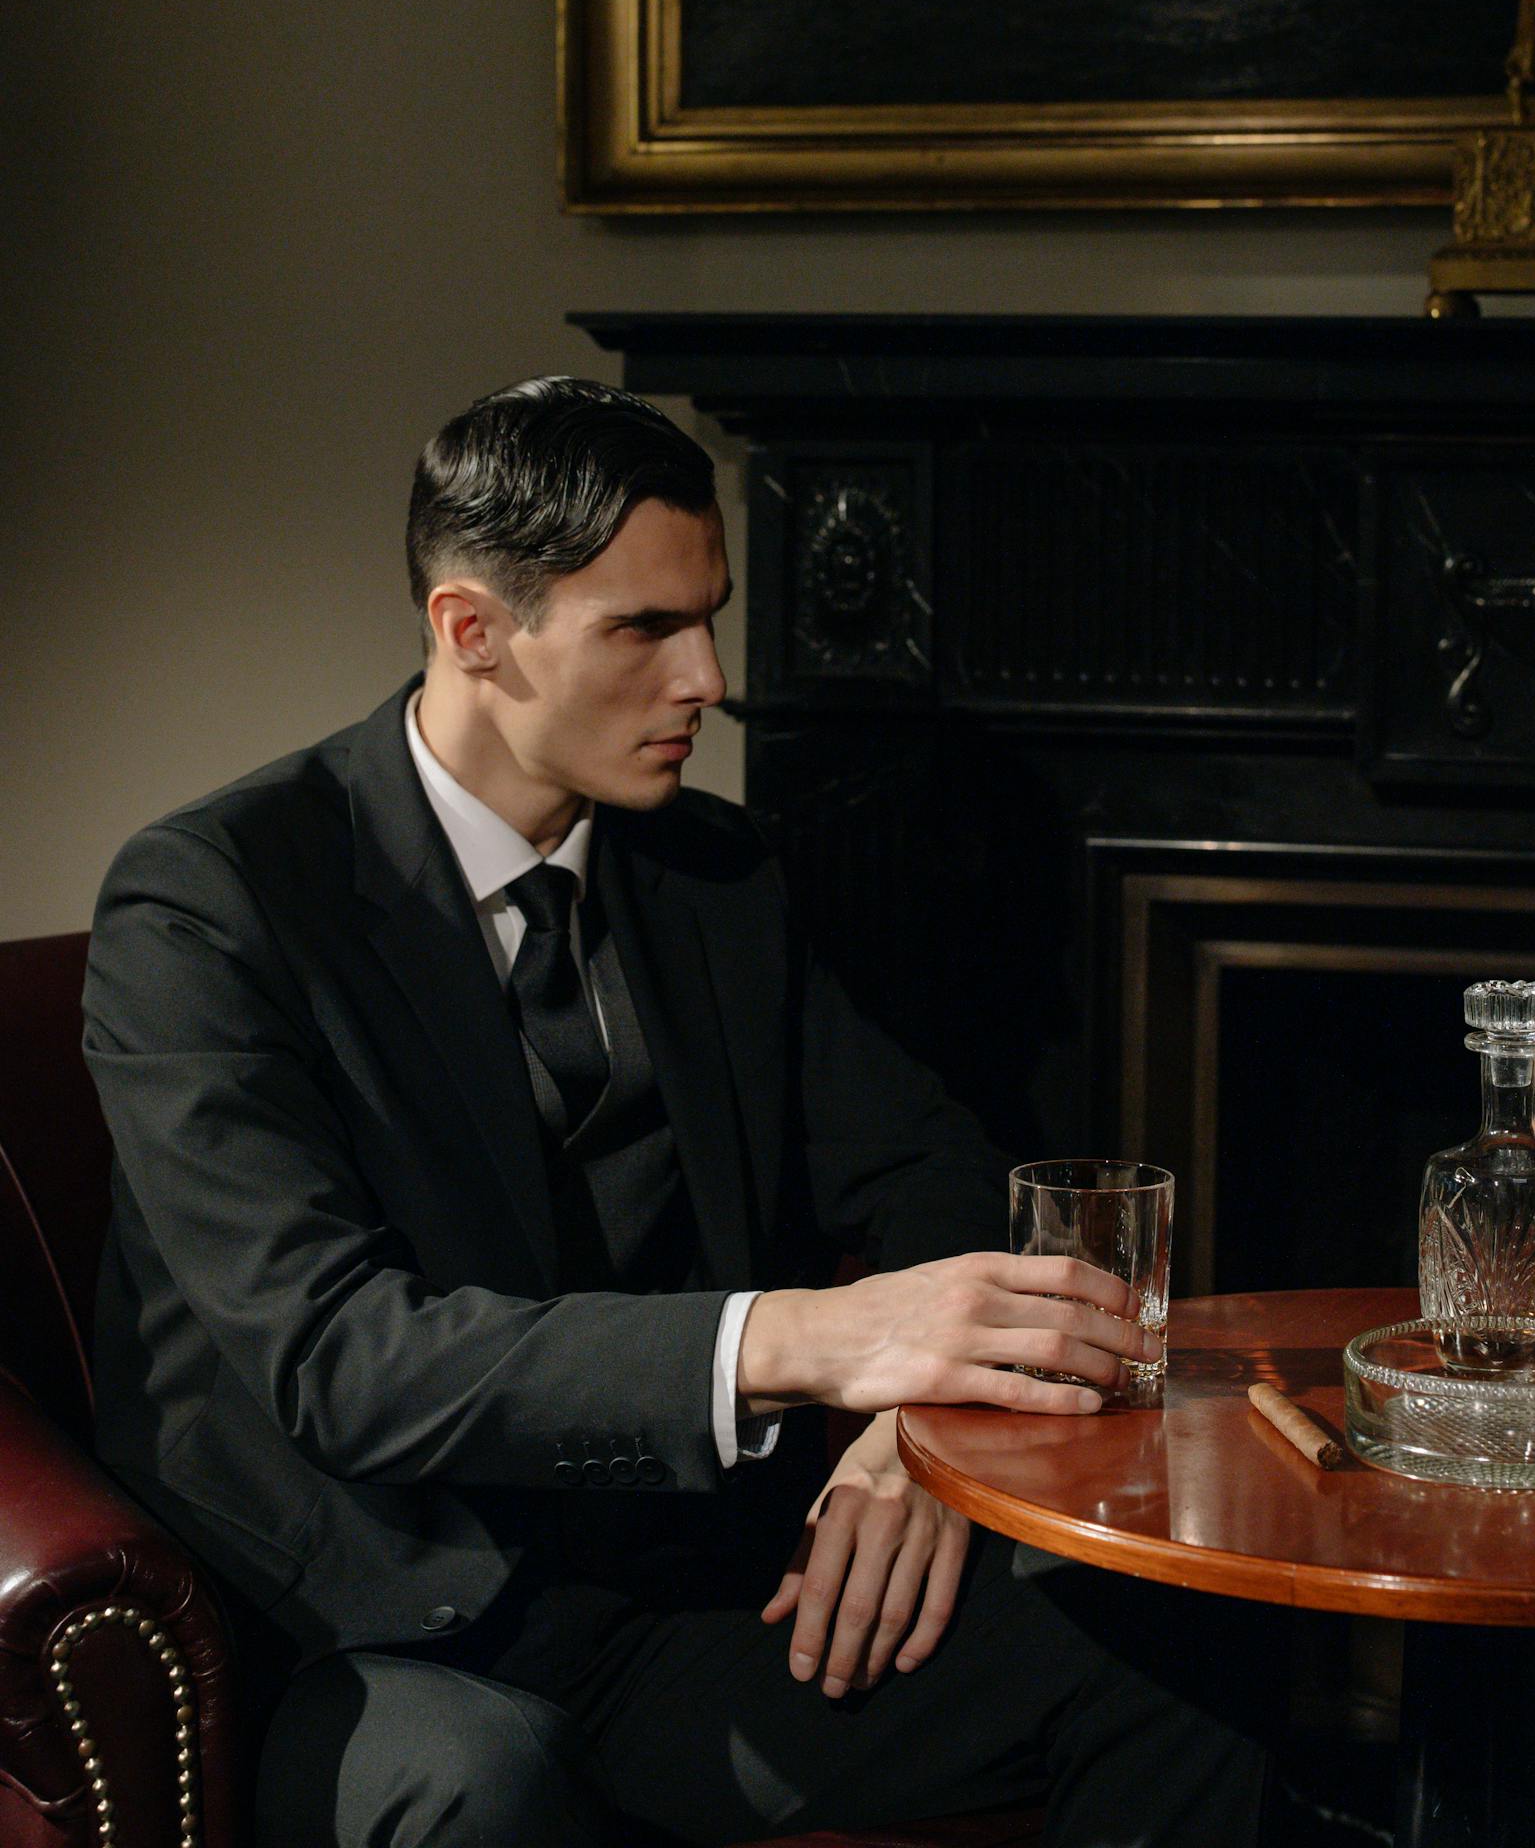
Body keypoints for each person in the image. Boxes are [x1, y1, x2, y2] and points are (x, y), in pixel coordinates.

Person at [83, 376, 1269, 1846]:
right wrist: (807, 1340)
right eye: (643, 628)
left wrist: (910, 1437)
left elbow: (930, 1170)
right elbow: (341, 1358)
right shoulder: (213, 903)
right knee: (482, 1789)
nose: (706, 677)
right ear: (473, 631)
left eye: (708, 618)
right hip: (384, 1621)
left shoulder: (715, 876)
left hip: (687, 1605)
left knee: (1183, 1658)